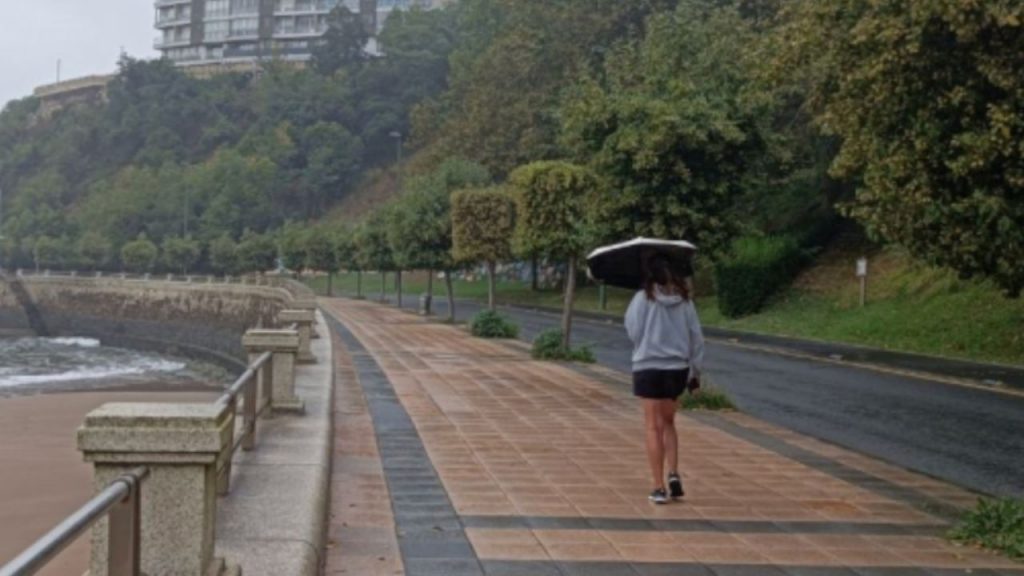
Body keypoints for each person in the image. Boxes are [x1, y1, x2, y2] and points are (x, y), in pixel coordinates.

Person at [624, 253, 705, 504]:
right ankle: (673, 473)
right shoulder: (685, 302)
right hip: (676, 370)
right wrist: (695, 373)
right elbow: (697, 338)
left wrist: (648, 343)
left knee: (652, 426)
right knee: (669, 423)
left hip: (648, 367)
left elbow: (633, 331)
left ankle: (658, 487)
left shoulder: (641, 299)